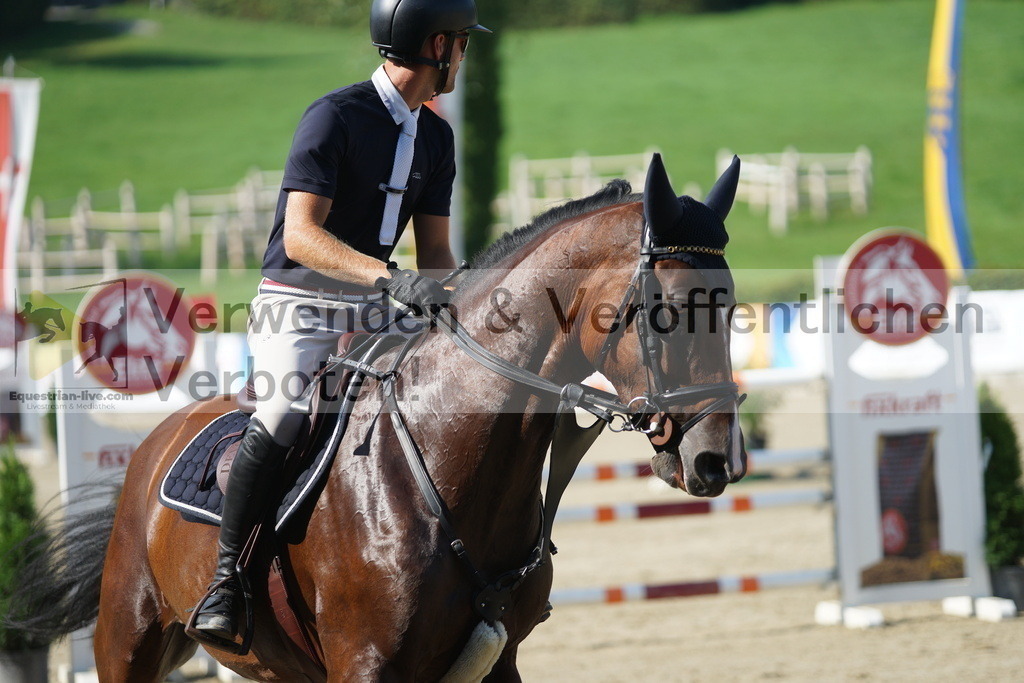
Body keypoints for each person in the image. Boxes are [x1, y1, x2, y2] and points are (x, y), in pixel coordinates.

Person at [192, 0, 491, 640]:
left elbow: (434, 255)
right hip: (297, 304)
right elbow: (301, 237)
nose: (466, 54)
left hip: (377, 309)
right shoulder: (336, 117)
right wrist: (391, 279)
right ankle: (226, 581)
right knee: (282, 417)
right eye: (462, 42)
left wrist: (471, 305)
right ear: (438, 46)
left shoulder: (436, 136)